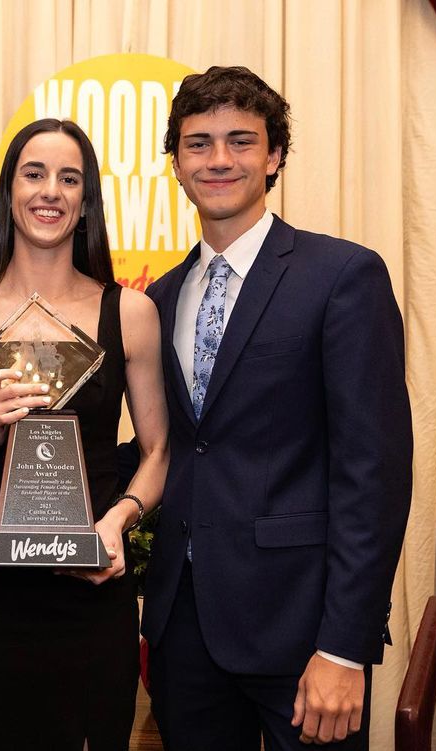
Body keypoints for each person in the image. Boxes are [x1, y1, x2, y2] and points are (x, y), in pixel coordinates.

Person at [138, 66, 412, 749]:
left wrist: (345, 647)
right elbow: (179, 448)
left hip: (304, 636)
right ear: (176, 163)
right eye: (198, 143)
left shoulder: (342, 276)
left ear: (275, 155)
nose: (220, 159)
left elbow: (372, 474)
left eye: (241, 140)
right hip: (184, 632)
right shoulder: (160, 297)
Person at [0, 118, 169, 751]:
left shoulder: (130, 313)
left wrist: (115, 524)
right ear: (9, 193)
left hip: (88, 592)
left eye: (69, 177)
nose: (49, 191)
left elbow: (160, 451)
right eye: (34, 174)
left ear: (85, 203)